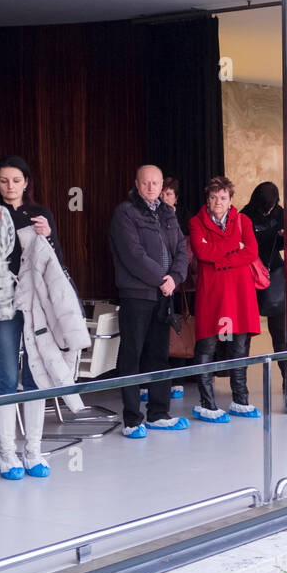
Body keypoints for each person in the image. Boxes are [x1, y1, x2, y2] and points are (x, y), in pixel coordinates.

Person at [0, 155, 62, 479]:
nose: (10, 186)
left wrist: (48, 235)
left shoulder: (40, 214)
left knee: (36, 377)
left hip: (35, 305)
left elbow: (56, 261)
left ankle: (33, 451)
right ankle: (7, 455)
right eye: (4, 181)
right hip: (1, 306)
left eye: (16, 180)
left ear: (26, 182)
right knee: (7, 378)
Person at [109, 165, 191, 438]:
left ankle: (158, 414)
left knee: (159, 355)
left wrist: (175, 278)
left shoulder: (168, 213)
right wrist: (161, 278)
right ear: (137, 184)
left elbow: (181, 249)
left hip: (163, 295)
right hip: (137, 295)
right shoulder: (125, 213)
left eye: (156, 183)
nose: (152, 187)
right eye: (146, 183)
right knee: (131, 356)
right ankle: (132, 419)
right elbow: (133, 255)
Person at [188, 176, 261, 422]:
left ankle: (241, 400)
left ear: (231, 200)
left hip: (240, 293)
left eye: (222, 198)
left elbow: (251, 251)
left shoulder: (243, 220)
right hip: (212, 292)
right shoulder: (196, 222)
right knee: (207, 345)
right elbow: (201, 252)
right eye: (213, 198)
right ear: (207, 200)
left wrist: (219, 259)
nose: (217, 202)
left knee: (239, 347)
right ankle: (207, 404)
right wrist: (234, 247)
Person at [244, 182, 287, 386]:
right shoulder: (245, 215)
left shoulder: (281, 213)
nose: (269, 211)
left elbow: (286, 244)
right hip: (249, 274)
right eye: (266, 207)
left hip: (274, 274)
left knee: (280, 333)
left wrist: (283, 237)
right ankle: (240, 384)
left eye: (272, 206)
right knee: (244, 333)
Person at [162, 177, 192, 400]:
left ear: (176, 199)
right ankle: (158, 378)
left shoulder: (183, 220)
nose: (164, 197)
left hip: (181, 283)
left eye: (169, 194)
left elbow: (188, 251)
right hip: (158, 282)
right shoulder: (151, 216)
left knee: (180, 327)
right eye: (163, 193)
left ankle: (178, 379)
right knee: (160, 330)